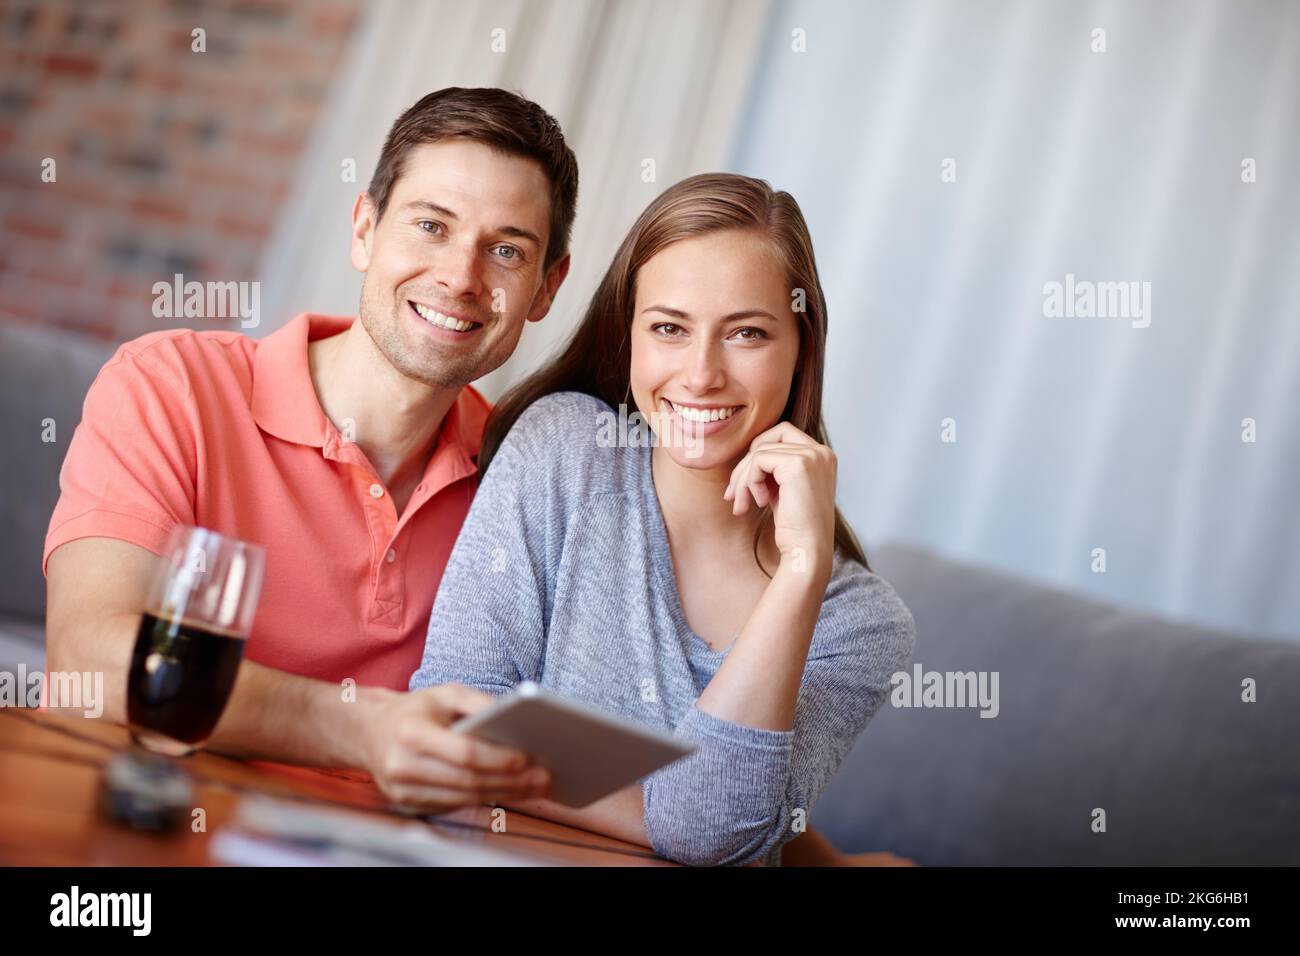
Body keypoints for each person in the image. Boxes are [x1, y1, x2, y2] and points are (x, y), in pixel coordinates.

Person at [43, 87, 576, 811]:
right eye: (430, 226)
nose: (460, 277)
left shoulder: (524, 472)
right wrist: (363, 729)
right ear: (364, 229)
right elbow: (94, 662)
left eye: (506, 250)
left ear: (546, 288)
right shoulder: (171, 385)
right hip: (126, 827)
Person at [410, 172, 917, 866]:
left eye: (746, 333)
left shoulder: (860, 623)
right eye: (670, 329)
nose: (702, 374)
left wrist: (801, 571)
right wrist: (668, 814)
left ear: (801, 348)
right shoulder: (565, 449)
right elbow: (453, 723)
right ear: (630, 337)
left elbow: (714, 823)